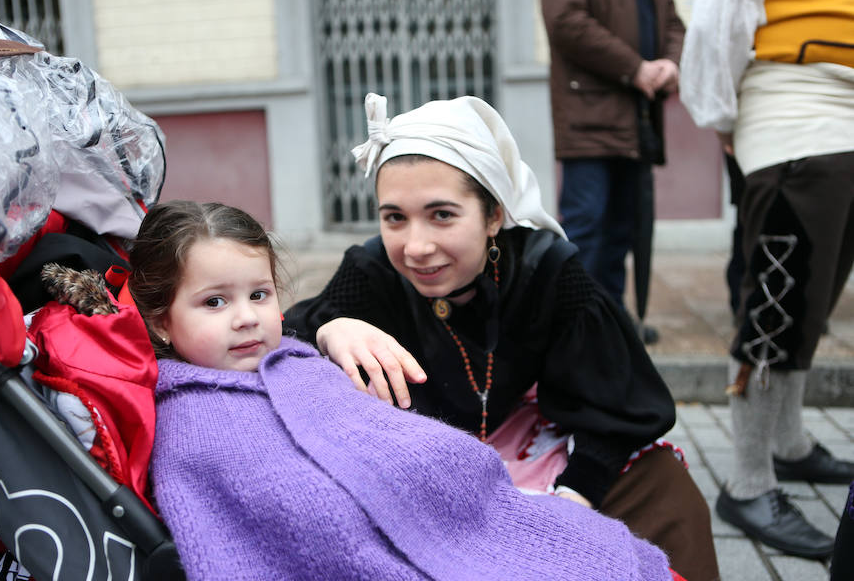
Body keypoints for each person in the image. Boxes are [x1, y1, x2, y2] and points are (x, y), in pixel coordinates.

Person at [283, 94, 719, 581]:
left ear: (493, 215)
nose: (416, 246)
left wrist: (573, 499)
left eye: (442, 215)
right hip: (420, 468)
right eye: (394, 218)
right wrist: (329, 328)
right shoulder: (372, 271)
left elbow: (615, 409)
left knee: (666, 489)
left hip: (533, 450)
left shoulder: (550, 273)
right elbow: (281, 346)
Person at [127, 200, 681, 581]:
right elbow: (261, 520)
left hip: (484, 498)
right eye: (215, 302)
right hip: (385, 546)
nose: (247, 319)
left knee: (627, 524)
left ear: (492, 218)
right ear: (157, 320)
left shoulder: (550, 271)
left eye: (260, 294)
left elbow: (401, 444)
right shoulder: (187, 421)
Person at [680, 0, 854, 560]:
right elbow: (716, 20)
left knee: (815, 299)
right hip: (797, 109)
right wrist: (724, 117)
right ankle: (749, 484)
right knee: (780, 305)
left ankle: (790, 444)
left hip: (840, 114)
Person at [540, 0, 686, 345]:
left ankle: (610, 320)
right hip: (589, 116)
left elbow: (673, 25)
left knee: (623, 230)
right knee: (587, 227)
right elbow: (566, 23)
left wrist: (670, 63)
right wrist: (635, 68)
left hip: (637, 118)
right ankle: (576, 325)